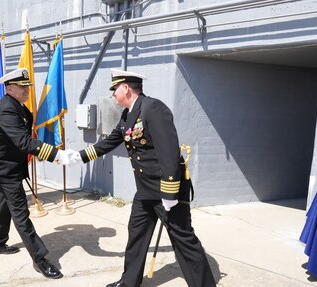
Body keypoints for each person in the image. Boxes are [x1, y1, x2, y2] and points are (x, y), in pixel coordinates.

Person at [70, 69, 216, 287]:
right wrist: (78, 157)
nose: (112, 94)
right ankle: (129, 283)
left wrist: (169, 193)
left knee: (183, 240)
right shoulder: (128, 113)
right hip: (146, 190)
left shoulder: (153, 108)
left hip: (167, 189)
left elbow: (169, 151)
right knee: (136, 234)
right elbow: (110, 141)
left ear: (126, 88)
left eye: (114, 89)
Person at [0, 68, 71, 279]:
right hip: (5, 170)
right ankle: (40, 259)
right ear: (10, 88)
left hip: (9, 166)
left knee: (3, 203)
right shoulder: (7, 110)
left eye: (27, 87)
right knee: (21, 214)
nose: (26, 91)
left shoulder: (18, 107)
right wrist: (56, 155)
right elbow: (23, 141)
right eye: (22, 87)